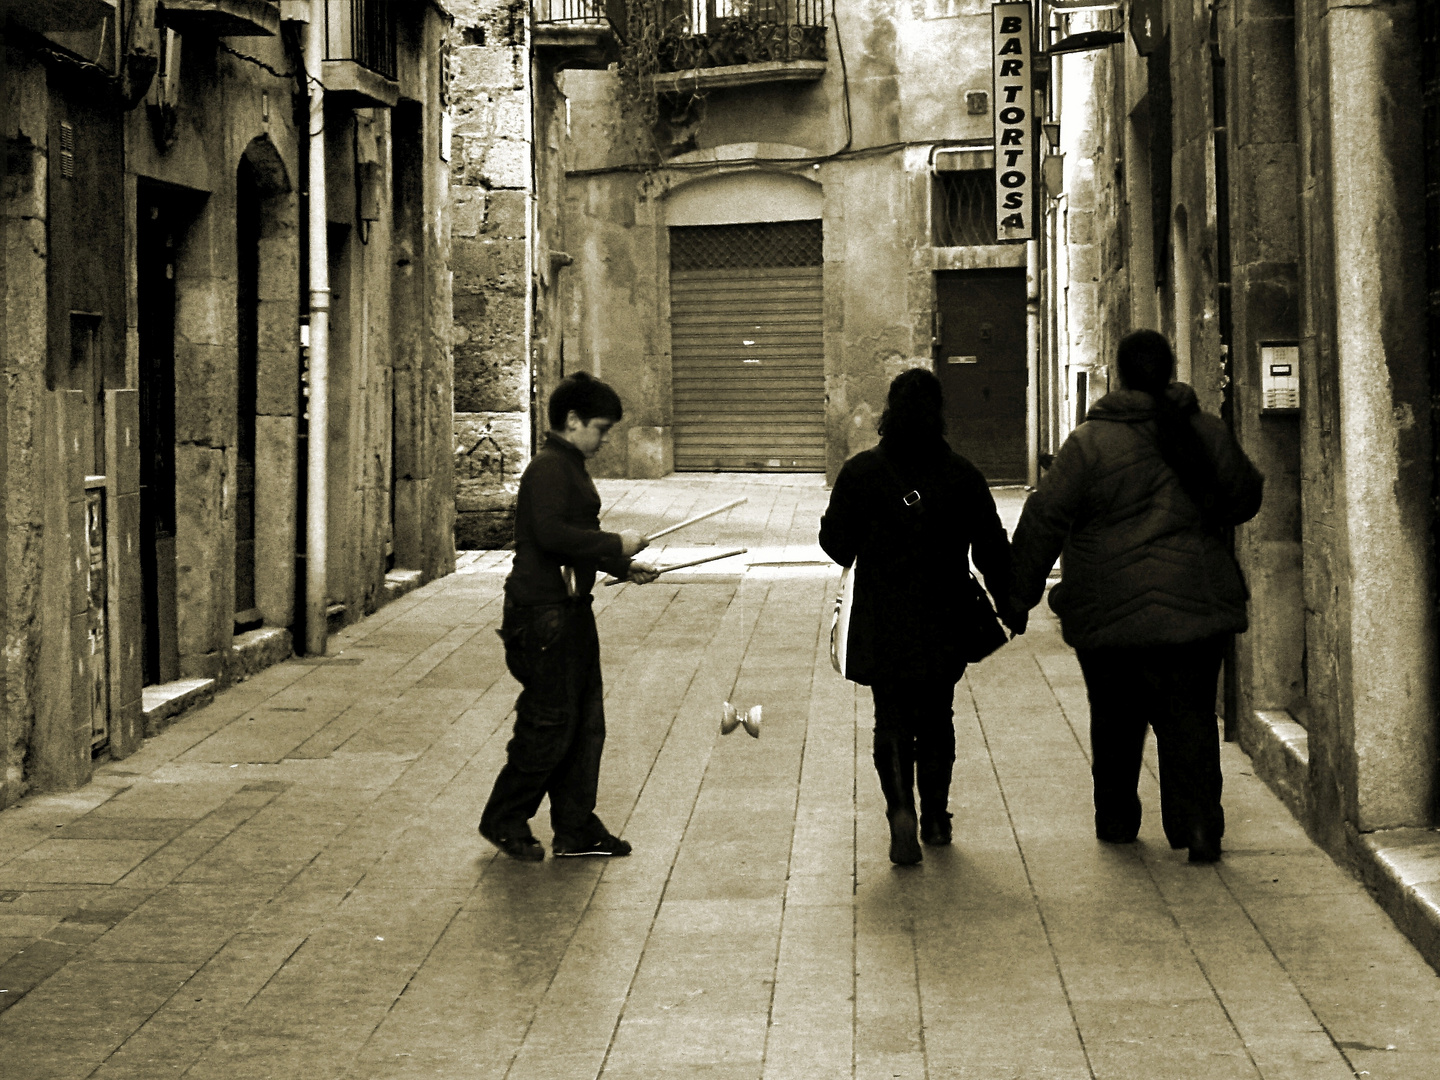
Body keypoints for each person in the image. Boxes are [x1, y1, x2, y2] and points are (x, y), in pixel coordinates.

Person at [1008, 330, 1263, 863]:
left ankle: (1119, 820)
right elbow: (1244, 499)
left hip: (1109, 610)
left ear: (1118, 375)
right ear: (1170, 371)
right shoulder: (1206, 432)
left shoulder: (1088, 444)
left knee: (1116, 719)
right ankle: (1197, 828)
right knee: (1190, 717)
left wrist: (1017, 595)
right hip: (1195, 609)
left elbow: (1044, 519)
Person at [819, 368, 1021, 866]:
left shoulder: (862, 473)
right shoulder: (962, 475)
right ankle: (934, 816)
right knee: (936, 716)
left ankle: (899, 811)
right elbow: (992, 549)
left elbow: (835, 544)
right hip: (944, 613)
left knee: (889, 716)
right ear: (938, 415)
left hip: (882, 616)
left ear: (889, 413)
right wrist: (1013, 603)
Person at [479, 372, 659, 861]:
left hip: (569, 610)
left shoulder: (569, 465)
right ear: (573, 420)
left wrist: (623, 564)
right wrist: (614, 544)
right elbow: (553, 534)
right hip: (543, 616)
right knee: (551, 723)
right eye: (600, 428)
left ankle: (576, 826)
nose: (604, 439)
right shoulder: (548, 468)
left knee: (584, 724)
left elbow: (572, 536)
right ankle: (505, 817)